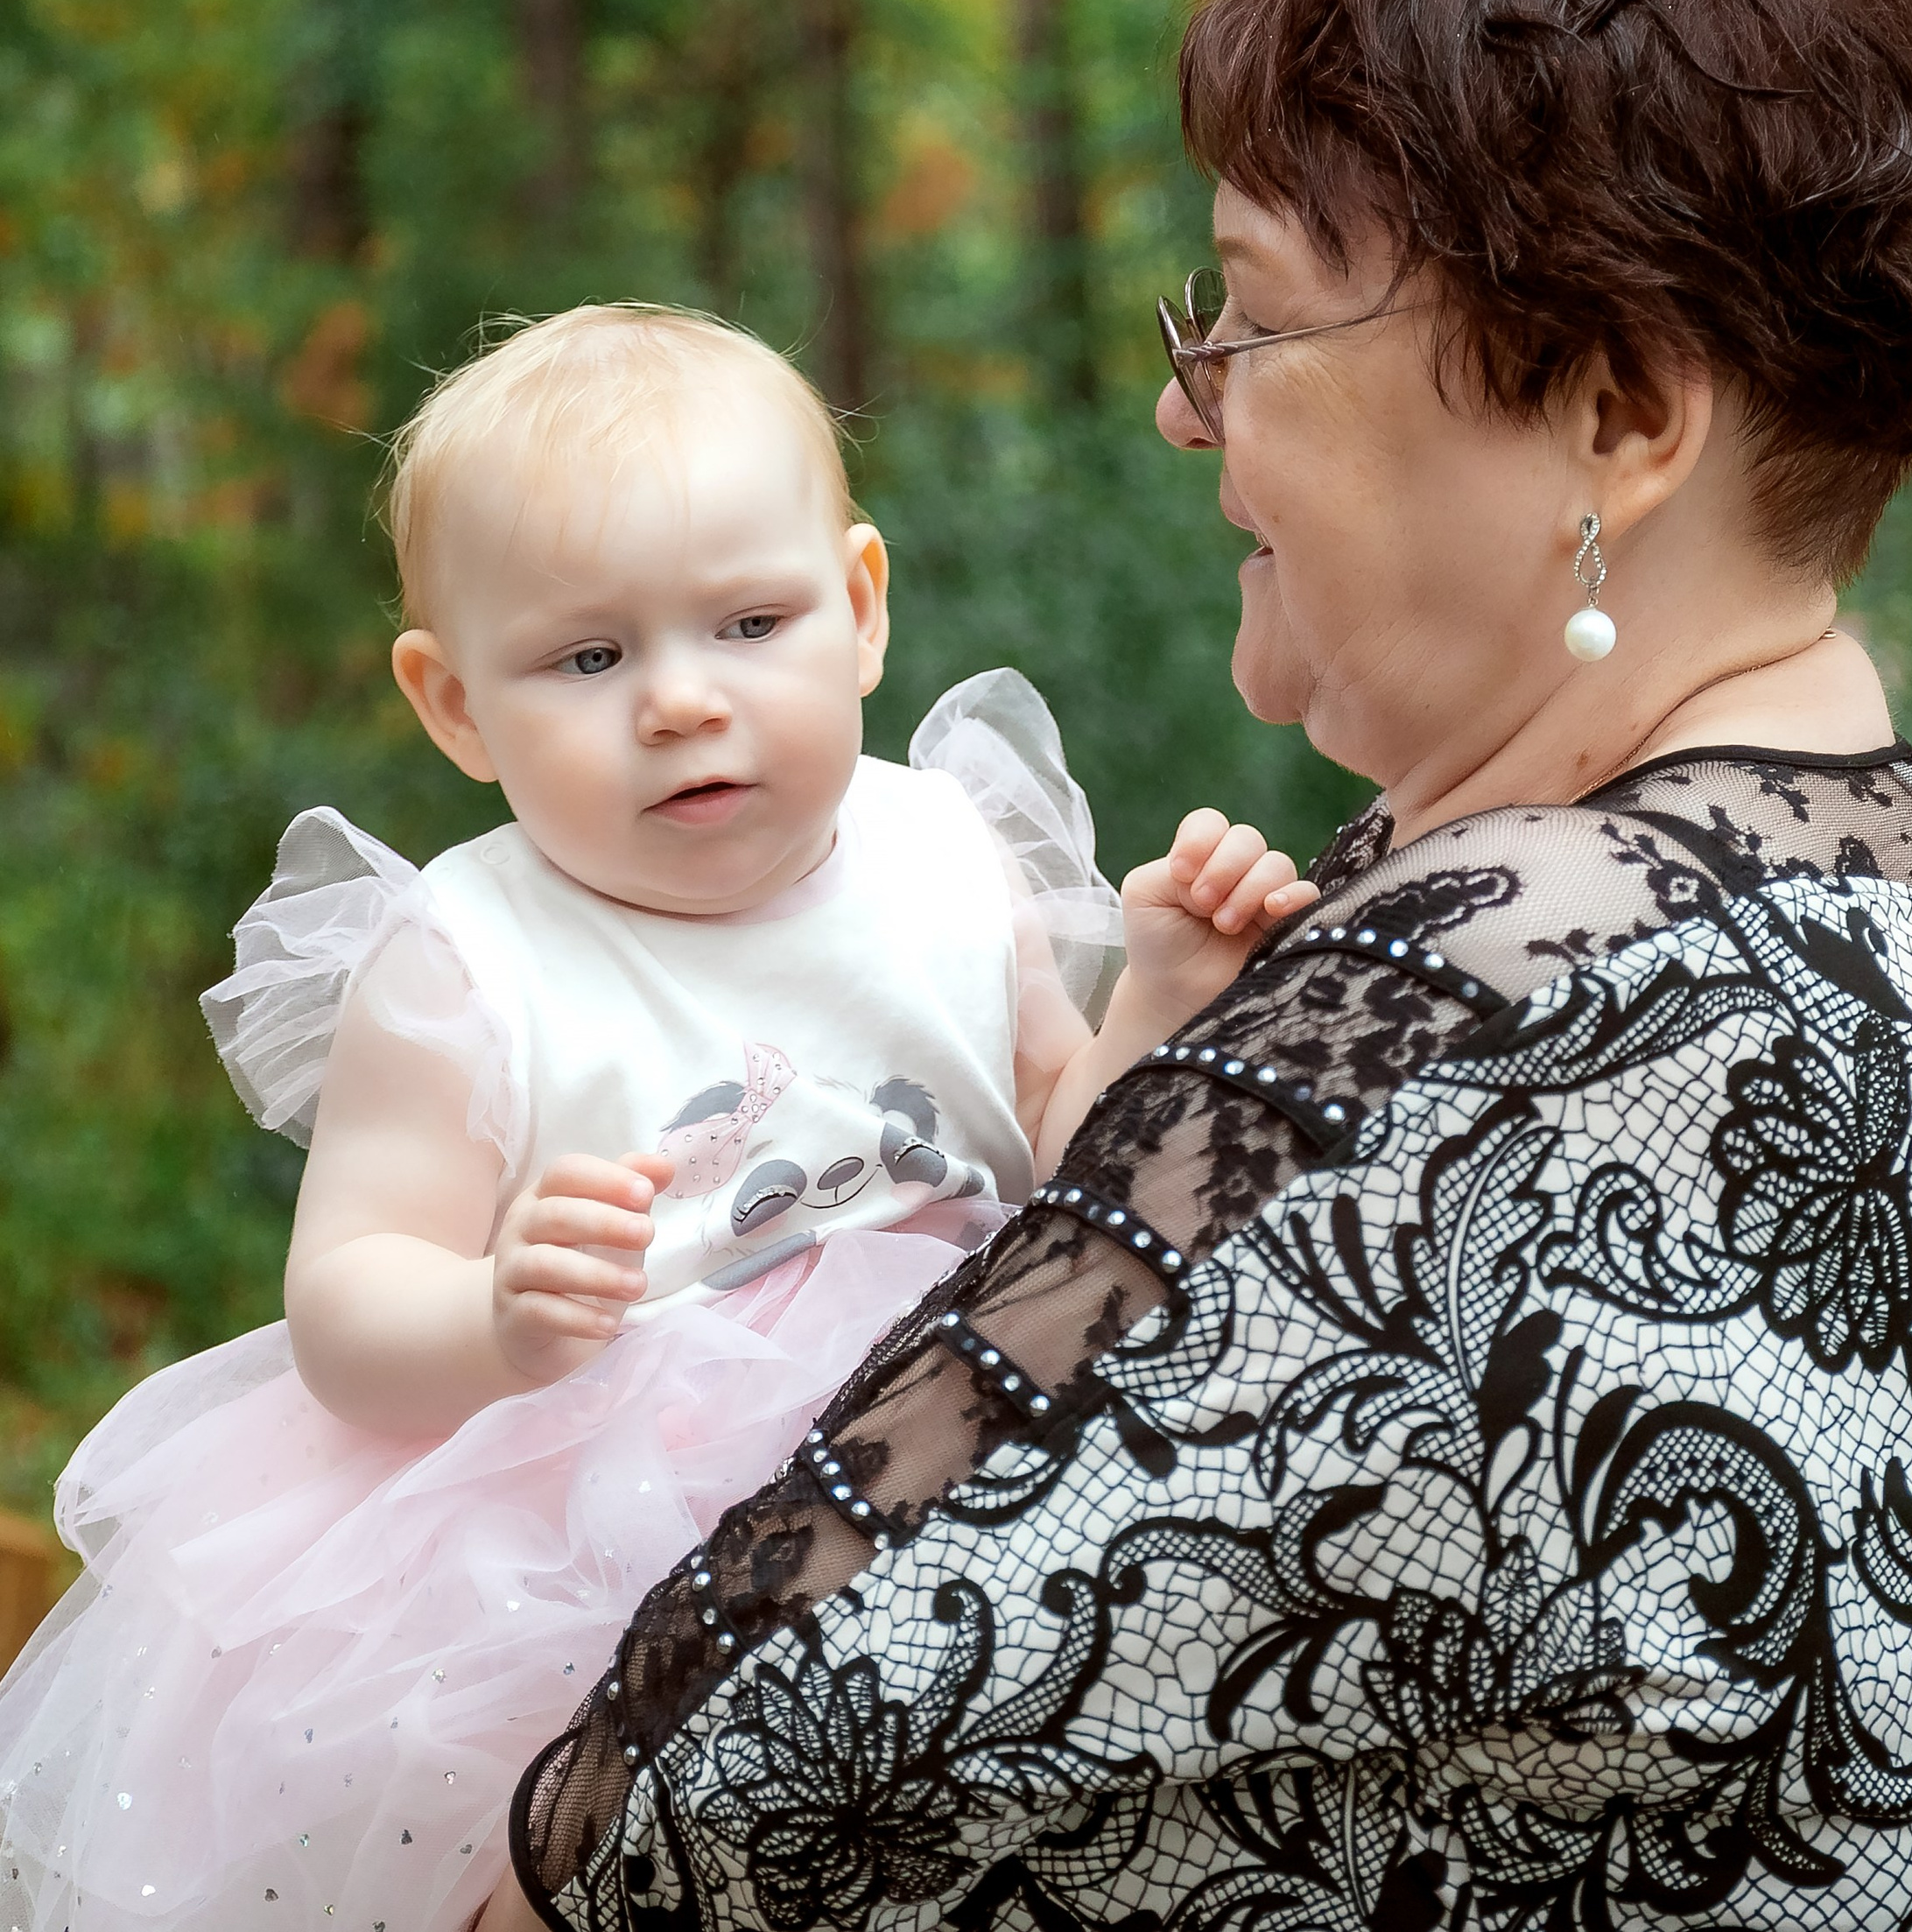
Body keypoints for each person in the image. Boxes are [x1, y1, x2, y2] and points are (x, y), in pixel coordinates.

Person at [487, 0, 1912, 1932]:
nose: (1188, 414)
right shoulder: (1874, 897)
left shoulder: (1512, 1014)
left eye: (1248, 321)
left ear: (1615, 410)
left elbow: (683, 1793)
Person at [0, 306, 1315, 1931]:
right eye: (588, 657)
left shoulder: (947, 850)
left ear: (862, 606)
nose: (681, 702)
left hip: (954, 1455)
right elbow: (346, 1301)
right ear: (456, 707)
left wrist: (1156, 1003)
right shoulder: (463, 958)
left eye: (751, 623)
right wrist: (491, 1316)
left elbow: (1069, 1153)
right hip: (580, 1546)